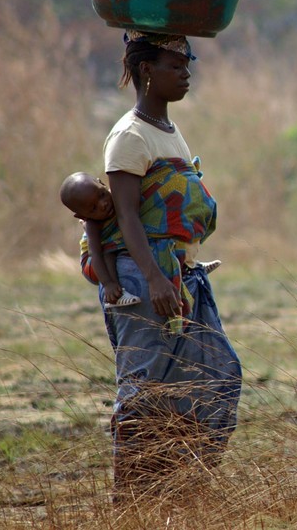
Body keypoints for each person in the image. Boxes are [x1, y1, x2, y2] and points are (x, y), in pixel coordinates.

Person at [100, 30, 241, 502]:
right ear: (146, 71)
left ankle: (177, 489)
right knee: (144, 392)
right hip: (145, 281)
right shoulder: (128, 137)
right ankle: (131, 504)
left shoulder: (166, 130)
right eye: (175, 66)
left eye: (187, 65)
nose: (186, 74)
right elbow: (125, 216)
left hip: (180, 277)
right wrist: (157, 279)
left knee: (217, 376)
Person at [59, 171, 220, 310]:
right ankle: (118, 294)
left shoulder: (119, 196)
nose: (103, 204)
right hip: (94, 263)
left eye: (101, 195)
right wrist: (108, 284)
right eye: (93, 208)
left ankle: (189, 266)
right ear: (82, 215)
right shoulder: (92, 225)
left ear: (102, 183)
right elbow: (96, 254)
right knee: (110, 250)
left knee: (156, 237)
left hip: (116, 242)